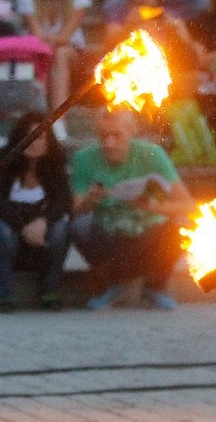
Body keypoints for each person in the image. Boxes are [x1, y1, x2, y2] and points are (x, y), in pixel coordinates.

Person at [70, 106, 192, 310]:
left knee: (182, 226)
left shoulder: (152, 154)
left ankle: (155, 286)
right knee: (79, 226)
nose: (109, 144)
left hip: (146, 228)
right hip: (108, 231)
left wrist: (153, 206)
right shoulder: (84, 158)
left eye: (116, 135)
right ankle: (112, 283)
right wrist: (91, 199)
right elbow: (76, 210)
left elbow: (188, 205)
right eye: (103, 136)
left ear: (131, 131)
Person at [0, 110, 71, 311]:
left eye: (41, 137)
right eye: (29, 137)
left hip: (39, 244)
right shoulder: (3, 164)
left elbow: (63, 202)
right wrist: (23, 227)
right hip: (2, 244)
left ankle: (50, 290)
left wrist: (43, 221)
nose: (34, 142)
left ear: (49, 141)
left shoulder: (55, 167)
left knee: (61, 228)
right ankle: (4, 294)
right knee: (2, 231)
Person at [16, 0, 90, 110]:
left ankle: (58, 120)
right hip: (39, 53)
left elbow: (65, 37)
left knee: (60, 53)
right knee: (49, 55)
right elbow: (37, 37)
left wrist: (50, 43)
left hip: (72, 54)